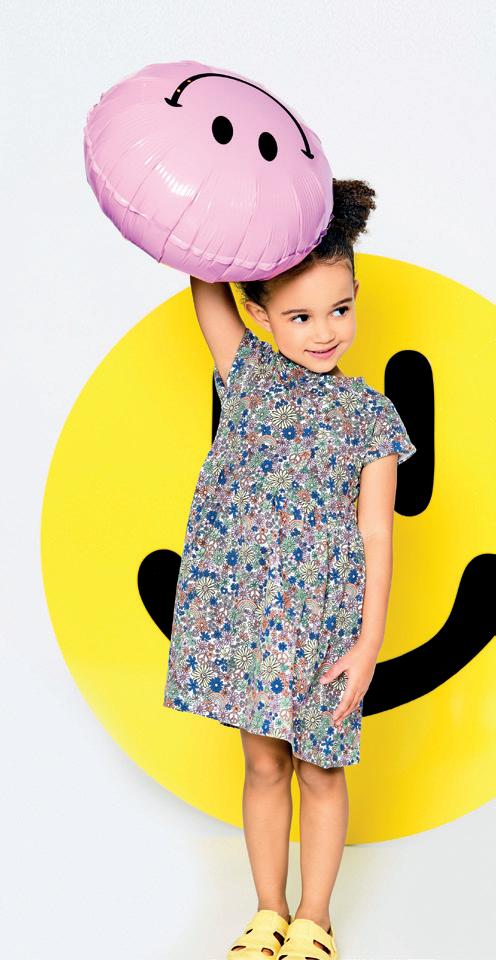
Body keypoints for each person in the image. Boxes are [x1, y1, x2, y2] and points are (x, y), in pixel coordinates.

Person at [163, 179, 417, 960]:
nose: (324, 331)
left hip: (328, 624)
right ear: (261, 315)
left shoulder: (371, 416)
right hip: (251, 618)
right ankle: (267, 912)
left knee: (322, 769)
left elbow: (377, 533)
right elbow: (204, 279)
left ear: (356, 299)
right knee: (264, 762)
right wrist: (233, 198)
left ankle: (314, 918)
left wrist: (369, 643)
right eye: (301, 316)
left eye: (339, 310)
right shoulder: (247, 374)